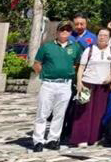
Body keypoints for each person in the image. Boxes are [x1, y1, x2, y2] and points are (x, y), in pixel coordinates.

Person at [31, 21, 82, 152]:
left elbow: (78, 64)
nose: (65, 31)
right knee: (43, 113)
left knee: (60, 114)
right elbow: (37, 63)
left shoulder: (75, 47)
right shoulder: (47, 47)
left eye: (68, 29)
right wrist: (44, 74)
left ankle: (53, 139)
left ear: (71, 32)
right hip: (49, 84)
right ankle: (38, 140)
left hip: (65, 84)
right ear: (57, 31)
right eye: (62, 29)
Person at [70, 28, 111, 147]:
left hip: (103, 86)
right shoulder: (89, 50)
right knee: (84, 111)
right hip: (87, 84)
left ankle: (94, 138)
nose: (102, 37)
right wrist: (79, 82)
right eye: (100, 35)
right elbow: (81, 67)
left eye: (105, 35)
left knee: (98, 113)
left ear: (109, 38)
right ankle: (81, 138)